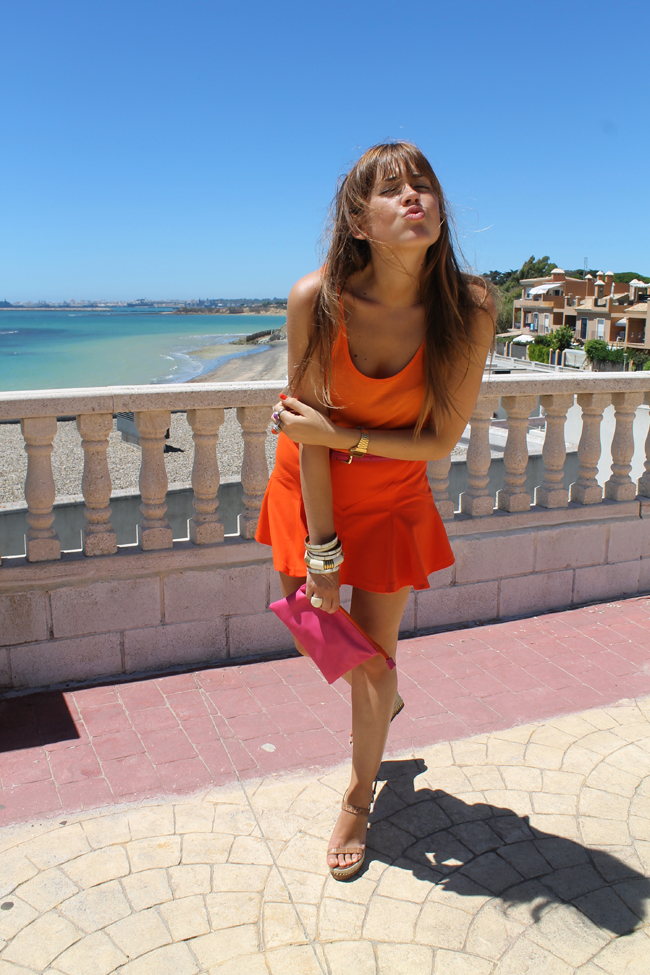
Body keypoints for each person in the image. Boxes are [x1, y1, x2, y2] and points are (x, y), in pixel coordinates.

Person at [256, 141, 495, 880]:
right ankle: (381, 702)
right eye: (392, 189)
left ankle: (359, 797)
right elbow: (306, 437)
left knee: (375, 659)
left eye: (423, 184)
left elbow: (439, 440)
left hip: (392, 498)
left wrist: (345, 436)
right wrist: (322, 556)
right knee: (314, 628)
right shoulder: (317, 299)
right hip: (312, 492)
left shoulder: (469, 308)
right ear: (359, 221)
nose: (414, 196)